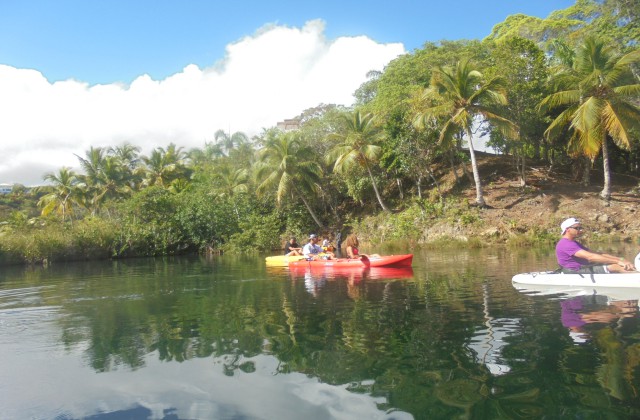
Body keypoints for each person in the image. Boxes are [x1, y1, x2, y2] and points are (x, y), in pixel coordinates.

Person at [556, 218, 636, 274]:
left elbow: (598, 254)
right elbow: (590, 257)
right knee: (616, 266)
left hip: (583, 268)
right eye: (577, 228)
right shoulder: (565, 244)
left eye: (580, 227)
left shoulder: (574, 242)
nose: (581, 230)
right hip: (574, 272)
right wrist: (618, 262)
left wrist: (622, 259)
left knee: (622, 265)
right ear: (567, 230)